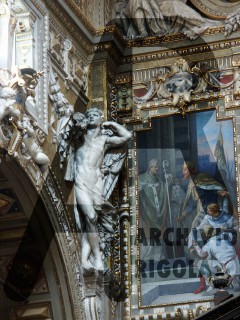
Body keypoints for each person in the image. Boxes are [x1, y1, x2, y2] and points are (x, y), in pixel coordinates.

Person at [66, 107, 131, 272]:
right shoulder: (79, 137)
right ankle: (95, 259)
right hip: (81, 182)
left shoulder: (104, 140)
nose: (92, 117)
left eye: (96, 115)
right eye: (89, 115)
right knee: (91, 216)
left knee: (92, 221)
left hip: (96, 184)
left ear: (101, 118)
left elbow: (127, 136)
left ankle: (88, 259)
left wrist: (111, 124)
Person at [192, 203, 240, 292]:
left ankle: (217, 283)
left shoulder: (227, 218)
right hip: (226, 245)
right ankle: (226, 280)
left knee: (203, 262)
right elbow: (199, 227)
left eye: (209, 210)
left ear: (215, 211)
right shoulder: (208, 218)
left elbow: (237, 227)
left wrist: (195, 245)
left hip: (225, 241)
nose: (207, 212)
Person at [138, 159, 168, 260]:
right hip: (146, 213)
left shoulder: (159, 181)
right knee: (148, 235)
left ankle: (158, 257)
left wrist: (168, 184)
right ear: (150, 167)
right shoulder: (141, 179)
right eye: (155, 166)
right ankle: (146, 257)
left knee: (159, 235)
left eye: (158, 166)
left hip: (158, 213)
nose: (157, 168)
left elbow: (164, 192)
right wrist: (139, 190)